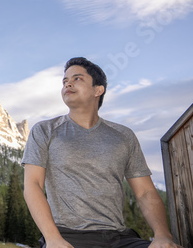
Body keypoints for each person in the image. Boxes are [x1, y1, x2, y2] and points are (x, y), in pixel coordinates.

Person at [21, 57, 181, 248]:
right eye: (64, 81)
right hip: (67, 236)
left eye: (77, 78)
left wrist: (163, 235)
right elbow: (33, 185)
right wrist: (53, 239)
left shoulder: (124, 136)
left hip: (120, 238)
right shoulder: (44, 130)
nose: (68, 83)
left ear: (98, 90)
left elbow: (145, 192)